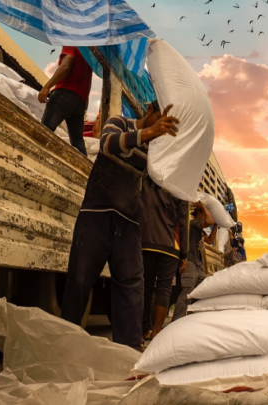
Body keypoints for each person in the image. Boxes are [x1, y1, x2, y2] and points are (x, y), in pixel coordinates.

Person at [61, 101, 180, 350]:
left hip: (127, 224)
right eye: (160, 118)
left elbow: (162, 181)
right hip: (96, 214)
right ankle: (64, 346)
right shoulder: (119, 122)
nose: (161, 125)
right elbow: (107, 144)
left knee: (132, 288)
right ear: (150, 111)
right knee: (79, 282)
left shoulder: (154, 151)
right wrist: (149, 132)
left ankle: (128, 350)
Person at [140, 174, 189, 341]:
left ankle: (144, 329)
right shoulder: (180, 183)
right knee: (164, 287)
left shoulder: (149, 175)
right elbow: (183, 223)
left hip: (147, 240)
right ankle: (156, 332)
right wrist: (184, 254)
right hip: (170, 245)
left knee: (145, 286)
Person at [38, 46, 93, 156]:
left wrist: (47, 86)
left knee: (44, 131)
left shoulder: (72, 43)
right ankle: (84, 171)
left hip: (64, 94)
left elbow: (65, 66)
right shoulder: (88, 54)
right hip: (80, 103)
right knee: (77, 142)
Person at [171, 202, 215, 321]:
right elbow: (209, 222)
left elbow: (210, 240)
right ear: (200, 213)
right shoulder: (194, 222)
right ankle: (177, 321)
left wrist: (216, 225)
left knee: (202, 289)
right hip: (190, 261)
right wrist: (204, 207)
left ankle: (192, 319)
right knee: (187, 292)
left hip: (198, 263)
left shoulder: (198, 228)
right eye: (204, 213)